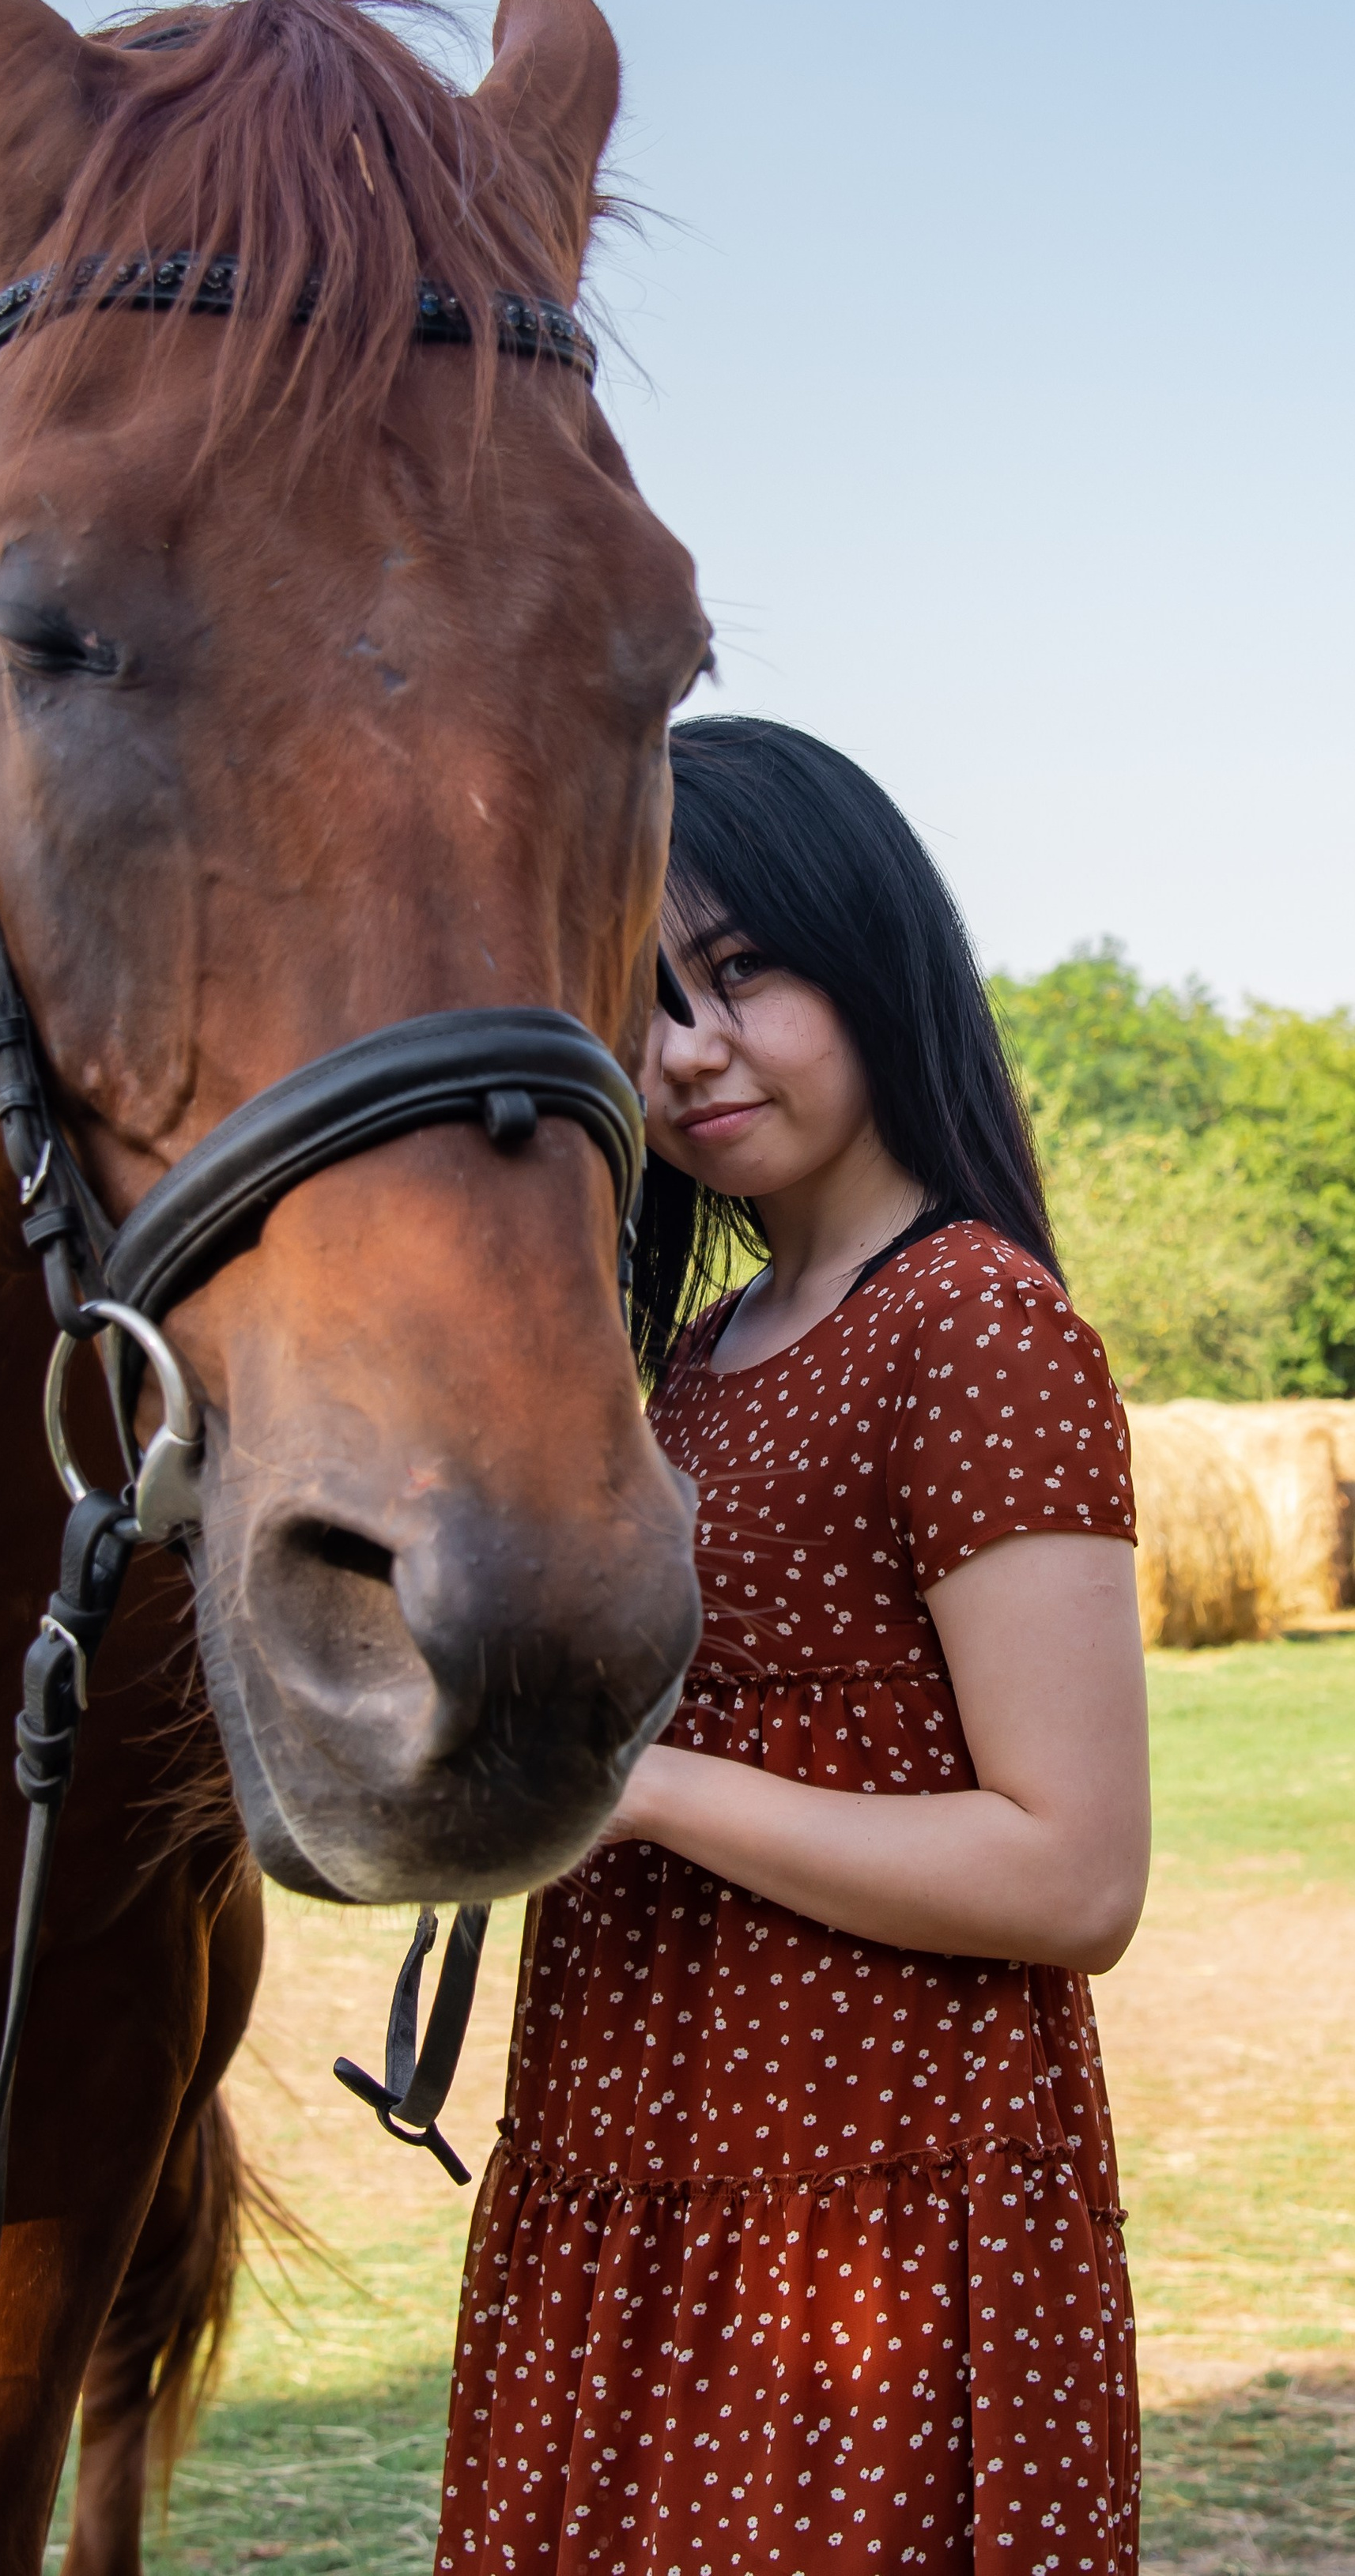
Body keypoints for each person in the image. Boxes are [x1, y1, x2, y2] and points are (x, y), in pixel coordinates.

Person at [436, 715, 1148, 2576]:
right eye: (645, 999)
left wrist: (650, 1789)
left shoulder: (973, 1328)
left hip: (863, 2234)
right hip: (629, 2178)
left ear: (869, 951)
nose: (683, 1049)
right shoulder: (682, 1361)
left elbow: (1072, 1868)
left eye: (740, 973)